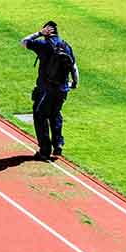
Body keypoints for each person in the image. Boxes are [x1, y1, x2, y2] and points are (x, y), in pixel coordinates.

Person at [19, 21, 79, 161]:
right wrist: (74, 83)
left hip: (46, 89)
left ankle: (45, 150)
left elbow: (24, 41)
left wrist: (39, 33)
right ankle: (58, 143)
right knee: (55, 114)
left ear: (47, 32)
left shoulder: (43, 44)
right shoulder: (66, 45)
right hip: (62, 88)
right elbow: (74, 67)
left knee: (40, 116)